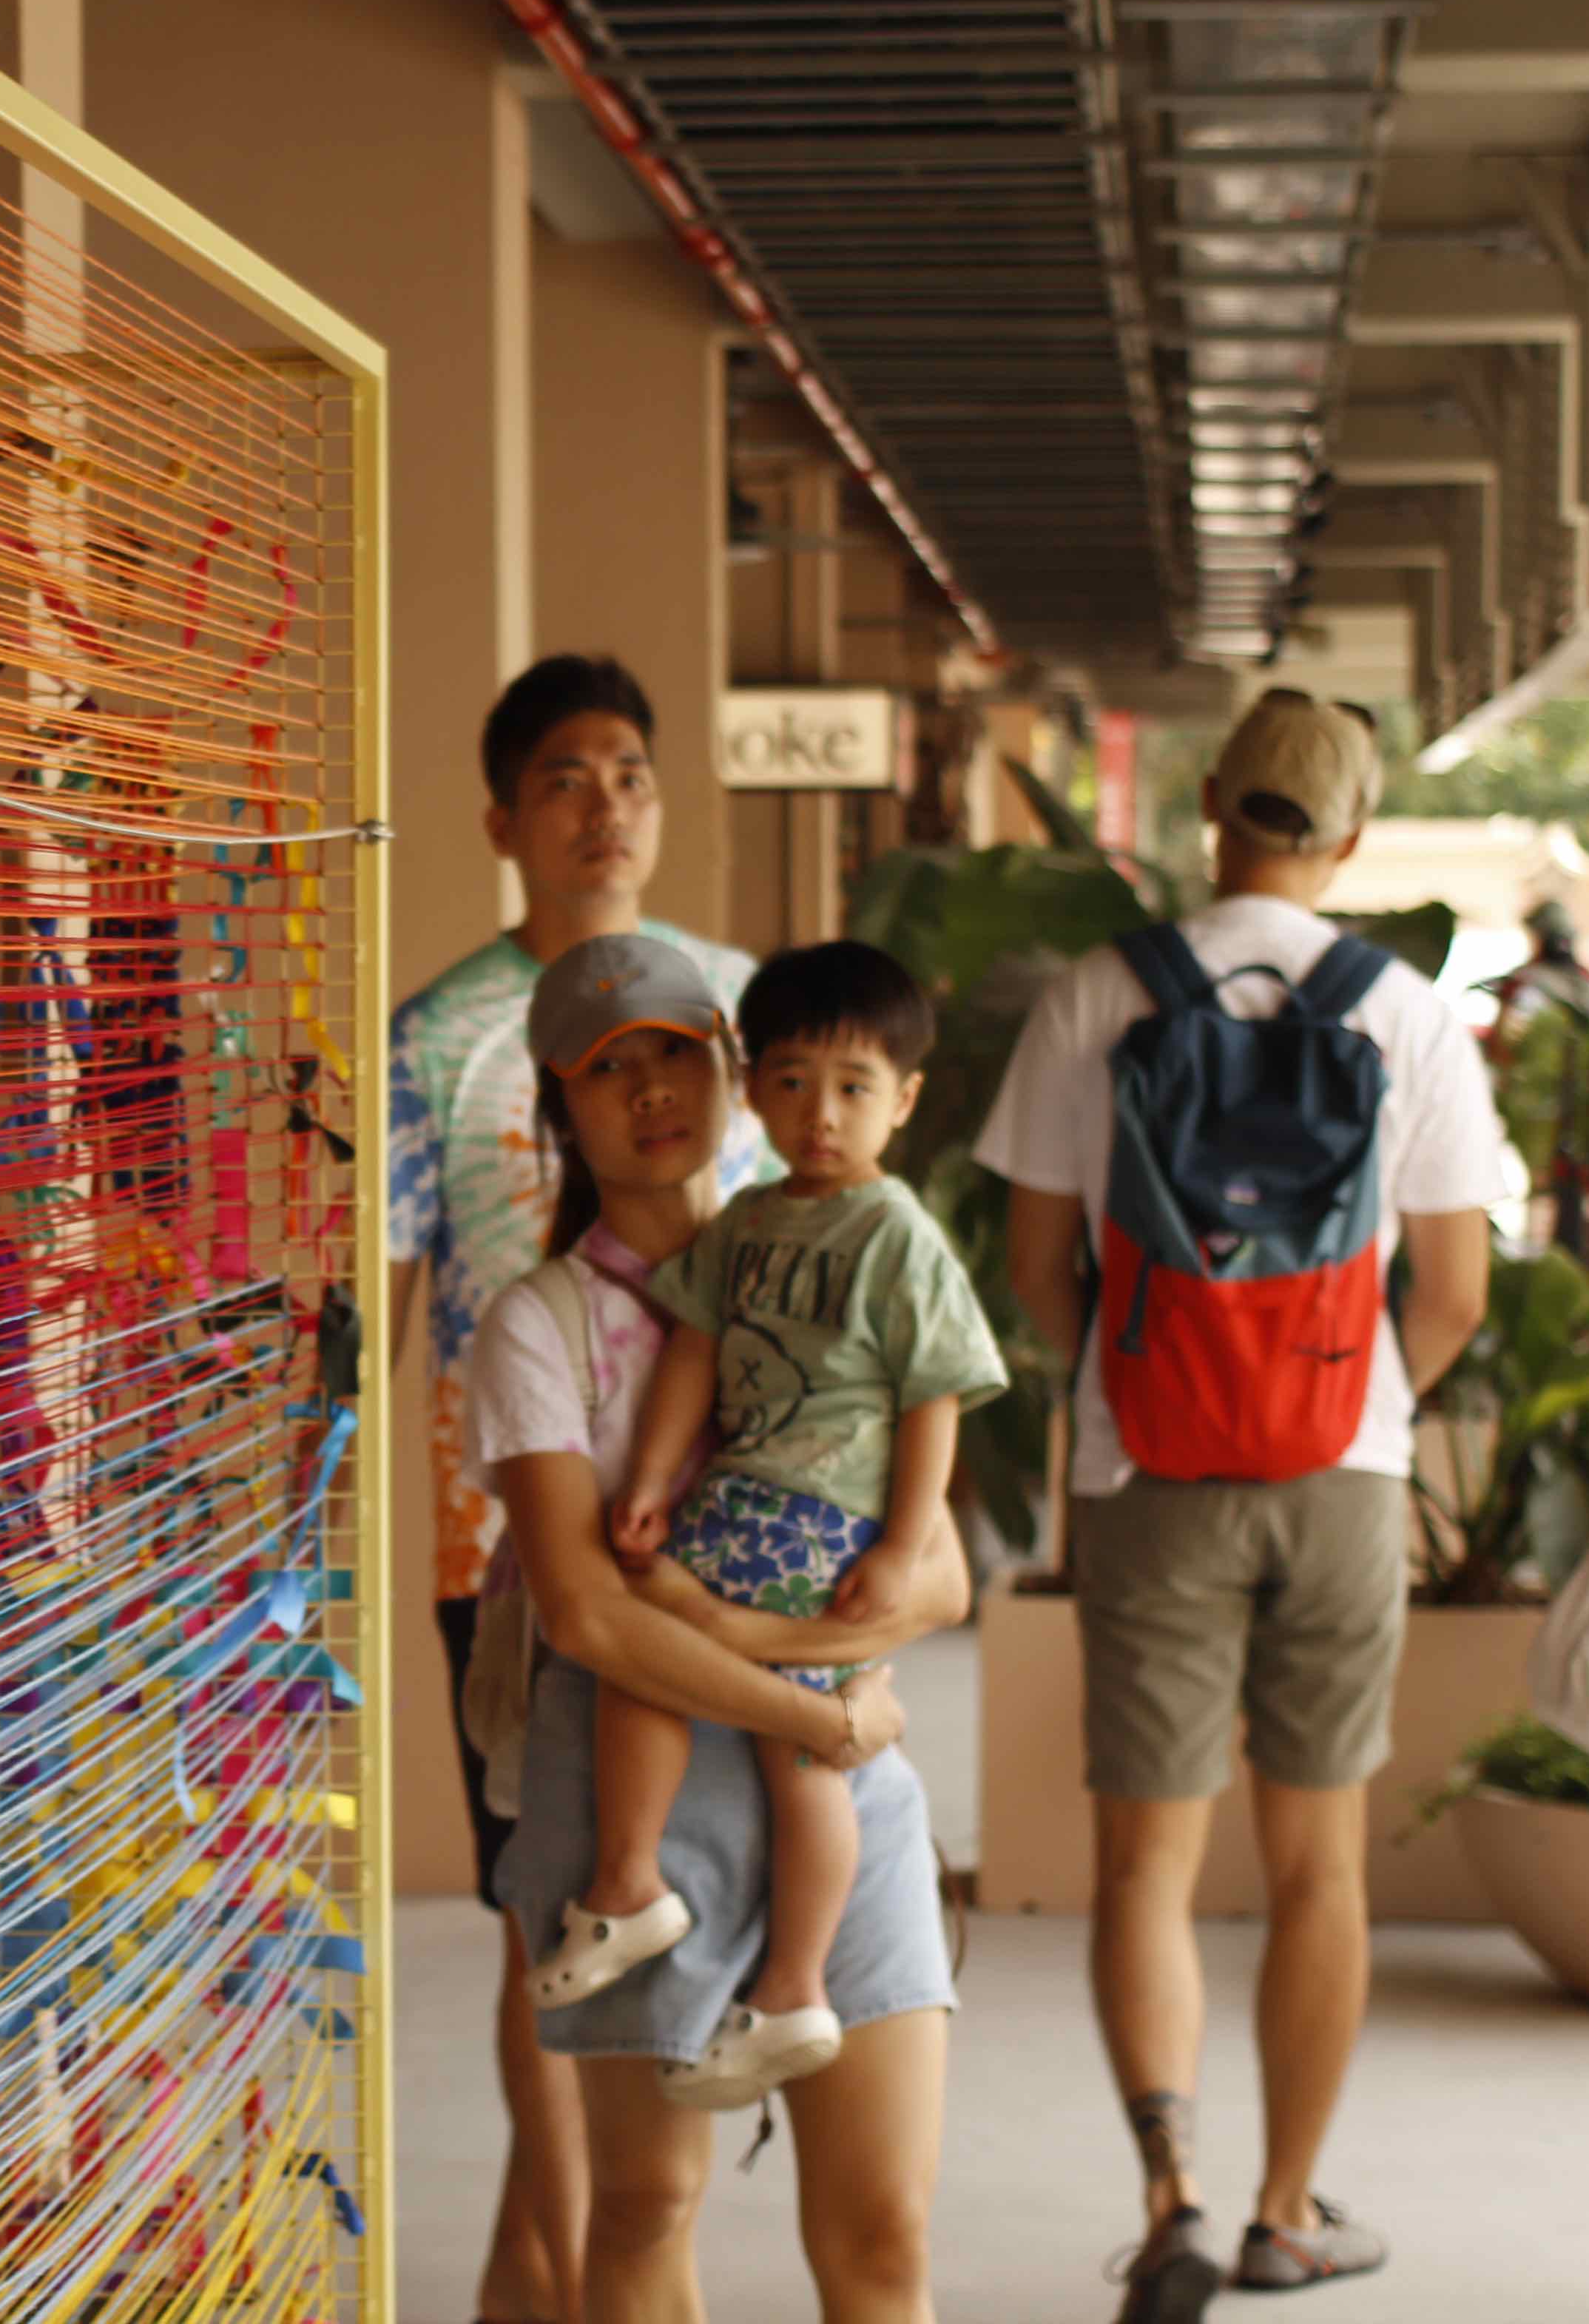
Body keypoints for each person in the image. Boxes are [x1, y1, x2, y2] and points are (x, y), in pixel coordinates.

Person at [976, 689, 1500, 2322]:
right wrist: (1343, 1392)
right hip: (1342, 1480)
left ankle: (1175, 2196)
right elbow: (1461, 1291)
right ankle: (1286, 2210)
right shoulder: (1408, 1015)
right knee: (1316, 1860)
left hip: (1150, 1476)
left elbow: (1041, 1272)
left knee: (1147, 1860)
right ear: (1349, 838)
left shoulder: (1096, 993)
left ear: (1216, 806)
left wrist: (1145, 1384)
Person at [473, 934, 965, 2324]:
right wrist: (819, 1707)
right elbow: (589, 1615)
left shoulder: (856, 1248)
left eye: (672, 1056)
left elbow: (940, 1582)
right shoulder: (539, 1327)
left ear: (724, 1072)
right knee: (643, 2206)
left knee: (884, 2231)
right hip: (655, 1792)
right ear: (557, 1112)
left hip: (839, 1793)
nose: (648, 1093)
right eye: (604, 1071)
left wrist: (817, 1688)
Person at [388, 655, 770, 2324]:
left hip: (734, 1546)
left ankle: (545, 2280)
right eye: (564, 779)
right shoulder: (435, 1039)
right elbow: (379, 1309)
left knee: (703, 1903)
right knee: (548, 1915)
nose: (603, 806)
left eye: (628, 773)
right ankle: (583, 2265)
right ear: (502, 820)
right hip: (512, 1559)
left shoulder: (748, 1017)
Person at [536, 942, 1003, 2115]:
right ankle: (644, 1890)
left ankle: (783, 1974)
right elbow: (694, 1348)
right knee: (689, 1682)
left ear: (903, 1100)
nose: (821, 1113)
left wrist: (905, 1541)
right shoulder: (748, 1223)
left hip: (825, 1519)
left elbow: (931, 1391)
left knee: (785, 1742)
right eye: (792, 1081)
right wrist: (649, 1479)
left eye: (854, 1086)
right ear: (753, 1087)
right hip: (735, 1500)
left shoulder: (896, 1232)